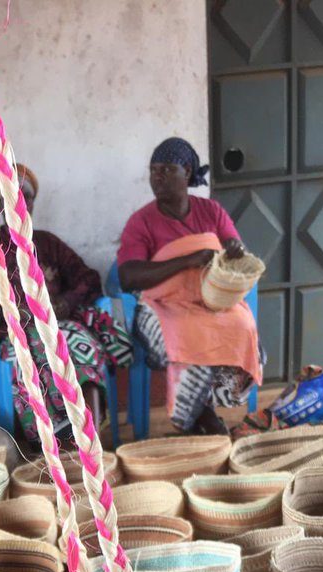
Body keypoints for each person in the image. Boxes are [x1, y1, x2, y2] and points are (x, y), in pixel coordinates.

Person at [0, 165, 131, 443]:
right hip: (15, 334)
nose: (17, 204)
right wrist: (14, 309)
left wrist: (65, 301)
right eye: (8, 197)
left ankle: (91, 432)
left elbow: (88, 279)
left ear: (33, 202)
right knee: (30, 355)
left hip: (59, 324)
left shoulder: (48, 244)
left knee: (76, 345)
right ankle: (49, 440)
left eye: (25, 197)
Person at [118, 137, 262, 435]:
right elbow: (128, 276)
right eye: (153, 170)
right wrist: (187, 261)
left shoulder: (211, 212)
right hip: (162, 305)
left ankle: (202, 413)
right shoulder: (141, 222)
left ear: (186, 171)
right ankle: (199, 418)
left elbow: (233, 250)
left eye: (166, 170)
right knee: (184, 335)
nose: (156, 178)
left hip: (210, 302)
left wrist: (233, 247)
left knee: (243, 327)